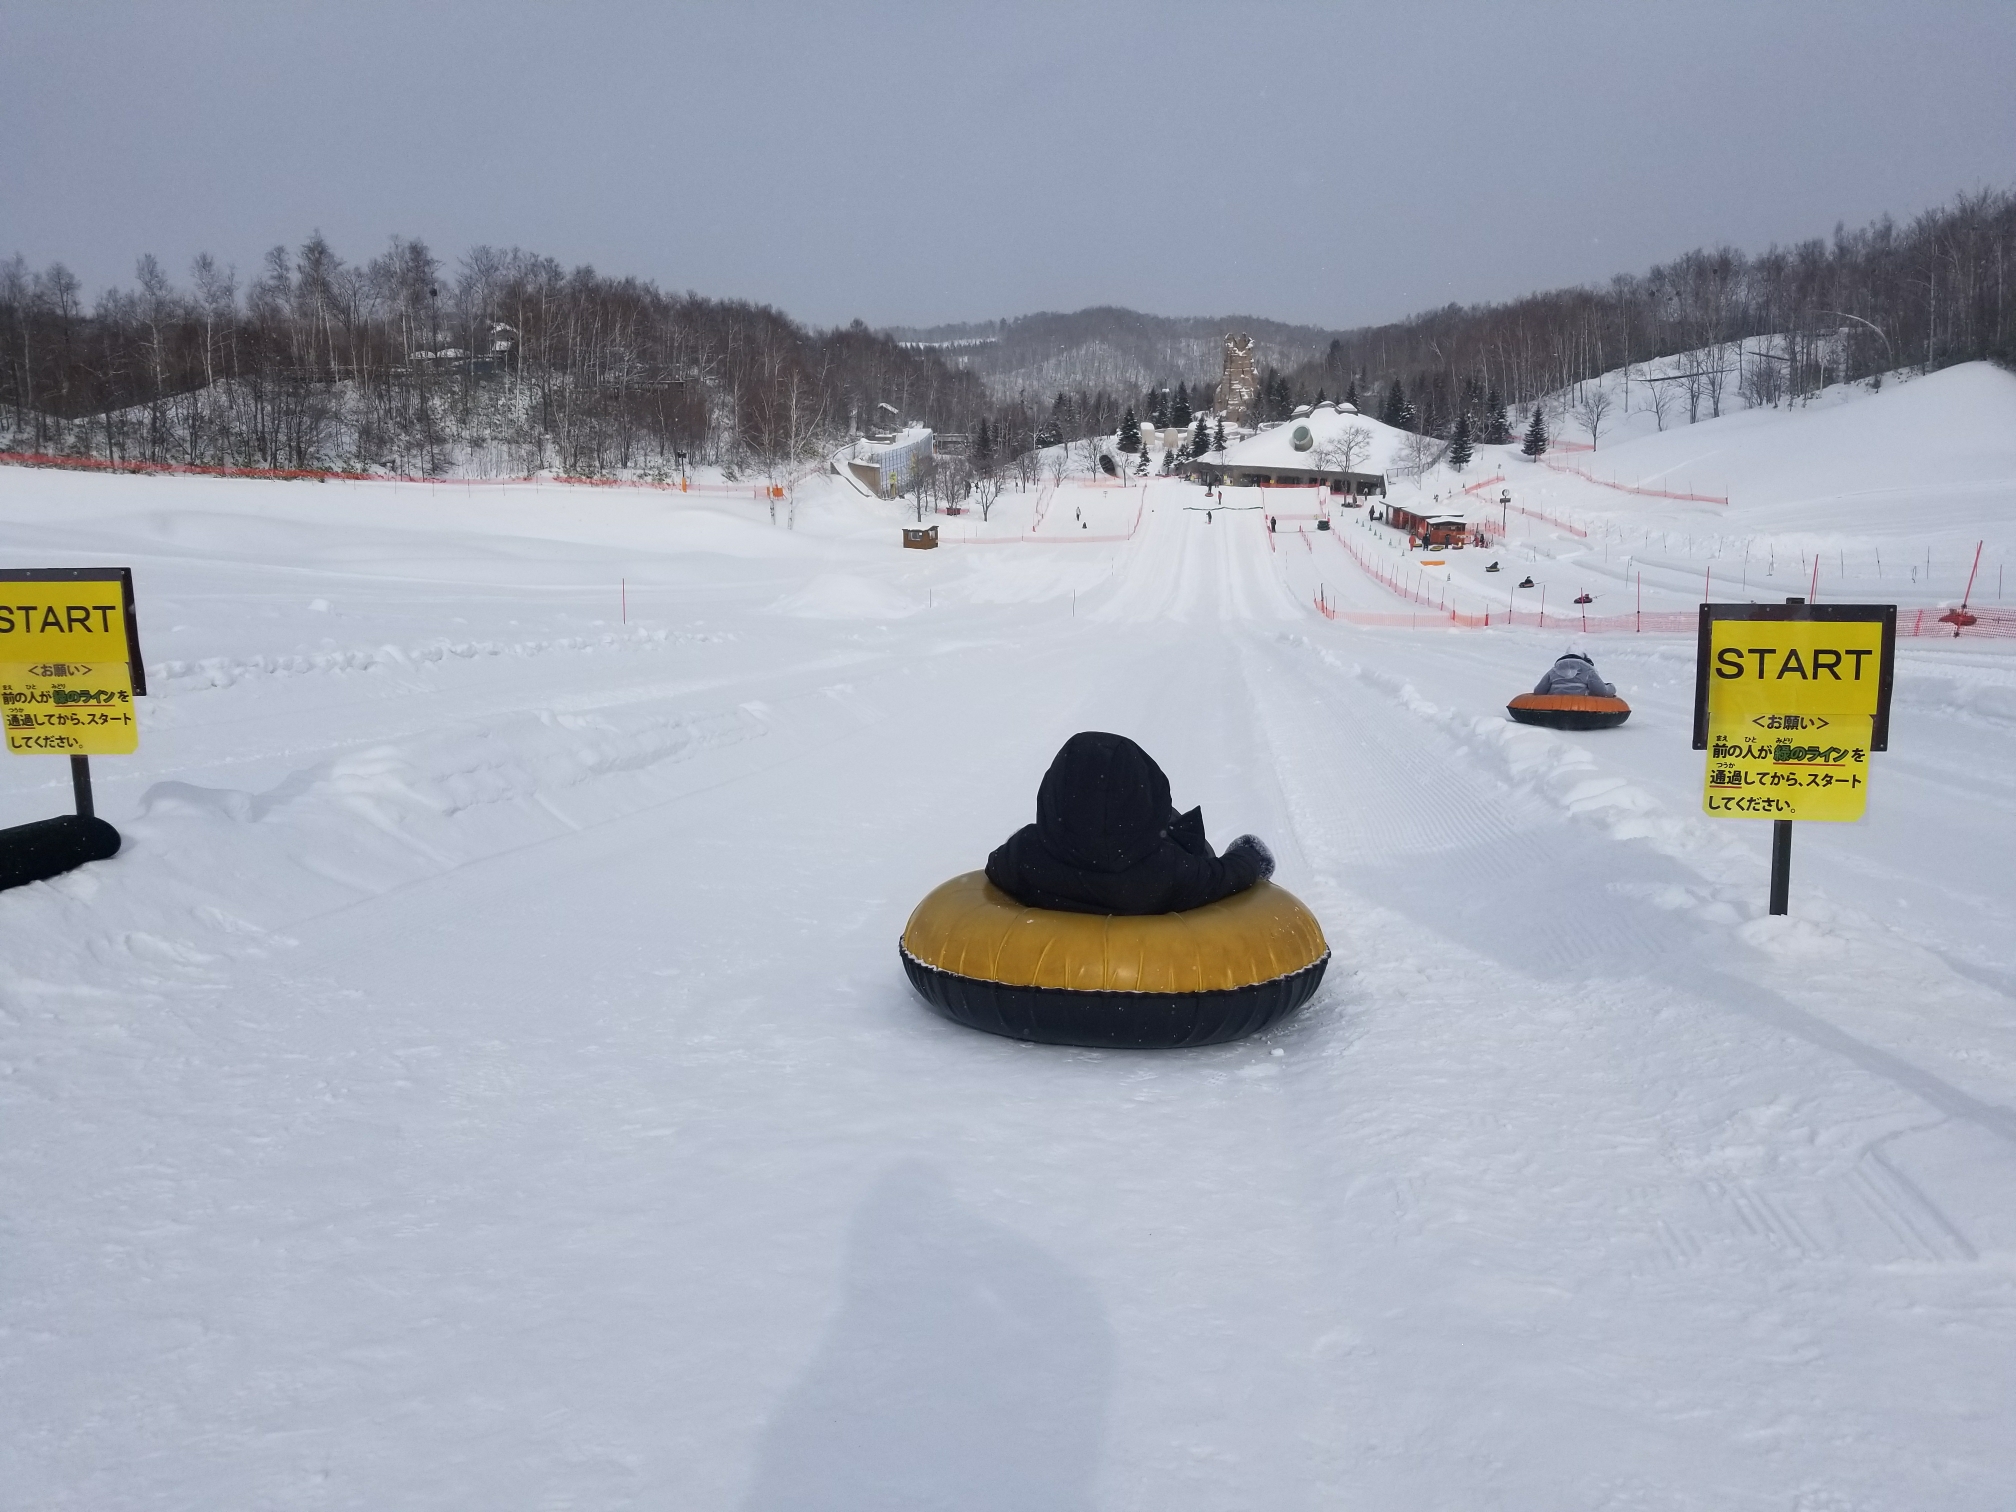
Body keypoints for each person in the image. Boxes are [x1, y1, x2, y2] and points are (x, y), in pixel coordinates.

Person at [986, 732, 1274, 916]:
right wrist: (1250, 854)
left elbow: (995, 867)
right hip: (1150, 860)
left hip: (1057, 851)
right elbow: (1223, 876)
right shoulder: (1165, 870)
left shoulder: (1026, 853)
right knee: (1180, 832)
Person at [1533, 651, 1616, 697]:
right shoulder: (1588, 671)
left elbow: (1539, 691)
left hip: (1554, 707)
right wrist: (1611, 687)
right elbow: (1601, 691)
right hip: (1581, 707)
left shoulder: (1553, 671)